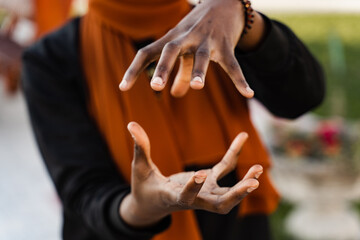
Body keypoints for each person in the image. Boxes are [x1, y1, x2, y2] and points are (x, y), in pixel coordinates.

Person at [22, 0, 325, 239]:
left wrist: (244, 17)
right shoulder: (51, 59)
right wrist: (141, 207)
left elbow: (302, 97)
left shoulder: (218, 25)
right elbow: (84, 193)